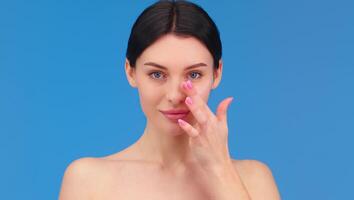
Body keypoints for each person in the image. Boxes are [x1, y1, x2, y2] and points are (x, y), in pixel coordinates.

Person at [59, 1, 281, 199]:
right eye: (157, 74)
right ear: (130, 72)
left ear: (217, 73)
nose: (175, 95)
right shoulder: (88, 180)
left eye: (194, 75)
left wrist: (220, 169)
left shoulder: (254, 179)